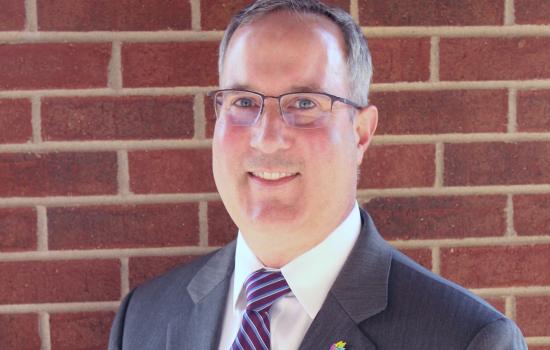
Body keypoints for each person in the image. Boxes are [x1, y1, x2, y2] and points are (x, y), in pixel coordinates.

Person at [108, 1, 527, 349]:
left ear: (361, 133)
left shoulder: (466, 339)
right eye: (243, 101)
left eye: (305, 103)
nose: (267, 138)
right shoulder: (144, 319)